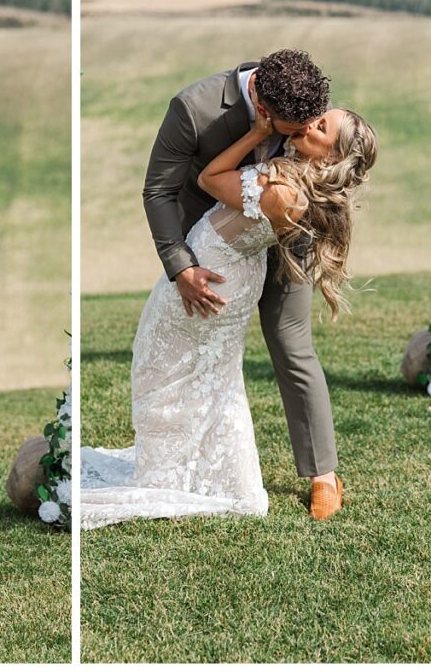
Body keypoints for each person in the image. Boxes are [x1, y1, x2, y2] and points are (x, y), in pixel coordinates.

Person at [80, 105, 377, 529]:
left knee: (270, 351)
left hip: (226, 266)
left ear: (332, 156)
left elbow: (209, 179)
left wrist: (257, 133)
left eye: (321, 126)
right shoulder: (297, 171)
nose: (308, 123)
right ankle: (186, 468)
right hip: (232, 265)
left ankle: (320, 473)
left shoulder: (283, 188)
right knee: (211, 377)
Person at [142, 49, 353, 519]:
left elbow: (335, 151)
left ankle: (323, 473)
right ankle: (193, 463)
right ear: (263, 108)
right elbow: (157, 190)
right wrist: (181, 266)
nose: (302, 136)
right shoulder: (192, 108)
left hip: (287, 239)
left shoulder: (298, 93)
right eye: (293, 130)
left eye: (312, 125)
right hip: (217, 249)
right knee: (201, 356)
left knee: (291, 340)